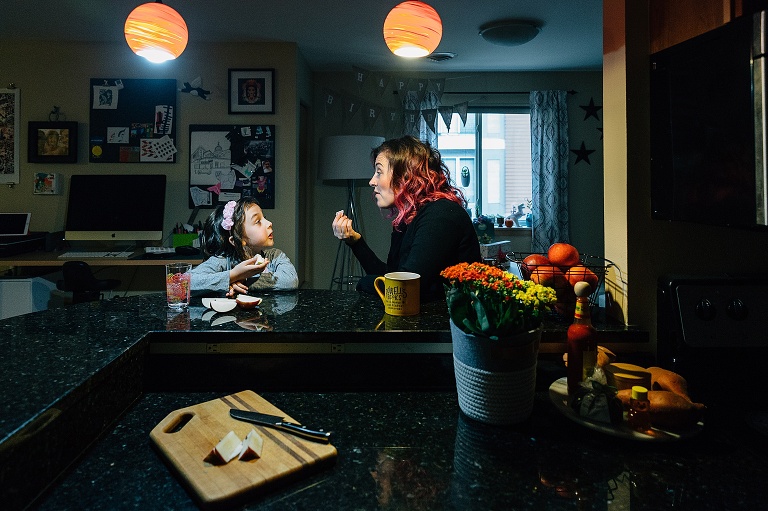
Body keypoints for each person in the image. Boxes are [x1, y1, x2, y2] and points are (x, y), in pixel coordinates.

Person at [331, 135, 482, 301]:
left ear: (406, 176)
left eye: (379, 172)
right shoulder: (409, 218)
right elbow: (392, 277)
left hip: (448, 325)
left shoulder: (440, 215)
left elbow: (405, 289)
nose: (372, 181)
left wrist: (364, 283)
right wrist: (355, 241)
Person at [191, 197, 298, 296]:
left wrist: (244, 281)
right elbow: (187, 282)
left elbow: (290, 280)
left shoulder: (275, 256)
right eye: (258, 221)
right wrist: (233, 275)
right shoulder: (223, 261)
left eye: (264, 218)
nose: (269, 223)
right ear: (238, 240)